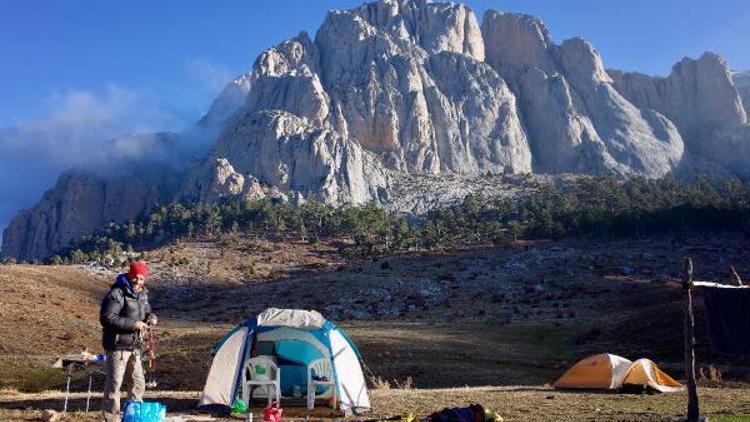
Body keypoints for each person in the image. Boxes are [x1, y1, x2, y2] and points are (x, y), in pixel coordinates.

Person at [100, 261, 158, 422]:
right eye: (136, 278)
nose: (138, 282)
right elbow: (107, 318)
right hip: (117, 346)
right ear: (130, 275)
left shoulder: (142, 295)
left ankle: (134, 416)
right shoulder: (116, 294)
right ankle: (112, 418)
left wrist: (151, 318)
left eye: (141, 279)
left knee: (138, 382)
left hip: (134, 346)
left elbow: (146, 312)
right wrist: (134, 324)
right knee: (114, 384)